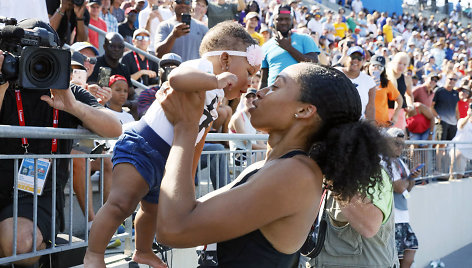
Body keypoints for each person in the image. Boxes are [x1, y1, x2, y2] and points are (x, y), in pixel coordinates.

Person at [155, 63, 393, 267]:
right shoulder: (275, 168)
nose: (259, 92)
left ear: (303, 110)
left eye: (276, 86)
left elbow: (174, 229)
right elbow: (184, 209)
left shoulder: (296, 174)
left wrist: (186, 127)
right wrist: (198, 123)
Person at [84, 21, 261, 268]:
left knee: (153, 210)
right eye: (250, 73)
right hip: (142, 145)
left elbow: (199, 136)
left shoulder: (216, 96)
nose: (250, 82)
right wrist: (215, 80)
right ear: (225, 60)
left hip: (167, 160)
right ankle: (93, 254)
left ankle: (142, 250)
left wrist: (187, 176)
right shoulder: (200, 69)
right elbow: (177, 78)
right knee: (121, 203)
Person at [0, 19, 121, 267]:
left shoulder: (68, 91)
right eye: (29, 54)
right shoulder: (5, 84)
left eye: (46, 56)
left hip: (37, 192)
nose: (38, 63)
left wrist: (73, 106)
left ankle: (43, 259)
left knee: (19, 242)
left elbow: (114, 128)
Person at [259, 5, 319, 89]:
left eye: (287, 19)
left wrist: (289, 48)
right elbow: (264, 80)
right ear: (273, 21)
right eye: (279, 19)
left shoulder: (305, 39)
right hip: (273, 96)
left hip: (299, 93)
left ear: (292, 21)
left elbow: (314, 63)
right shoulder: (265, 46)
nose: (283, 22)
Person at [387, 128, 420, 268]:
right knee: (393, 260)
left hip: (403, 217)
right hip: (393, 218)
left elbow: (408, 187)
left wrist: (412, 178)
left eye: (402, 144)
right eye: (396, 143)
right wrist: (409, 178)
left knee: (411, 251)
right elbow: (399, 187)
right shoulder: (384, 162)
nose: (400, 147)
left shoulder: (400, 162)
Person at [228, 88, 266, 166]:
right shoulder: (238, 117)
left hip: (252, 153)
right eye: (248, 97)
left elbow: (260, 141)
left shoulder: (256, 117)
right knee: (268, 154)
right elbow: (247, 143)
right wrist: (267, 149)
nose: (250, 99)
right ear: (243, 99)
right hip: (239, 157)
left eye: (253, 96)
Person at [137, 53, 182, 118]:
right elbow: (145, 117)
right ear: (159, 71)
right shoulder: (148, 94)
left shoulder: (185, 96)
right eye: (166, 67)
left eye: (174, 68)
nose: (169, 70)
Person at [337, 46, 376, 120]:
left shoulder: (369, 81)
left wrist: (371, 126)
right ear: (347, 57)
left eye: (359, 58)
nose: (355, 60)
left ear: (363, 61)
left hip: (357, 122)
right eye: (353, 57)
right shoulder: (335, 73)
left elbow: (370, 107)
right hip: (336, 120)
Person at [366, 55, 403, 127]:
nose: (376, 69)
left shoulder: (386, 83)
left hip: (382, 124)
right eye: (374, 65)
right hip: (365, 124)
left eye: (380, 67)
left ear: (383, 70)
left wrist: (395, 115)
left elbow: (400, 100)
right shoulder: (362, 80)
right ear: (368, 66)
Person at [387, 52, 414, 130]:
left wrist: (410, 105)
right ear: (393, 62)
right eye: (399, 63)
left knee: (398, 139)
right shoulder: (385, 76)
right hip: (384, 110)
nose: (401, 66)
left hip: (399, 112)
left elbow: (409, 94)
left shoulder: (407, 79)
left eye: (404, 64)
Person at [449, 104, 472, 179]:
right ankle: (451, 177)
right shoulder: (462, 120)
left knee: (460, 174)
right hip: (457, 148)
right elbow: (461, 125)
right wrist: (468, 116)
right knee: (458, 155)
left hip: (468, 151)